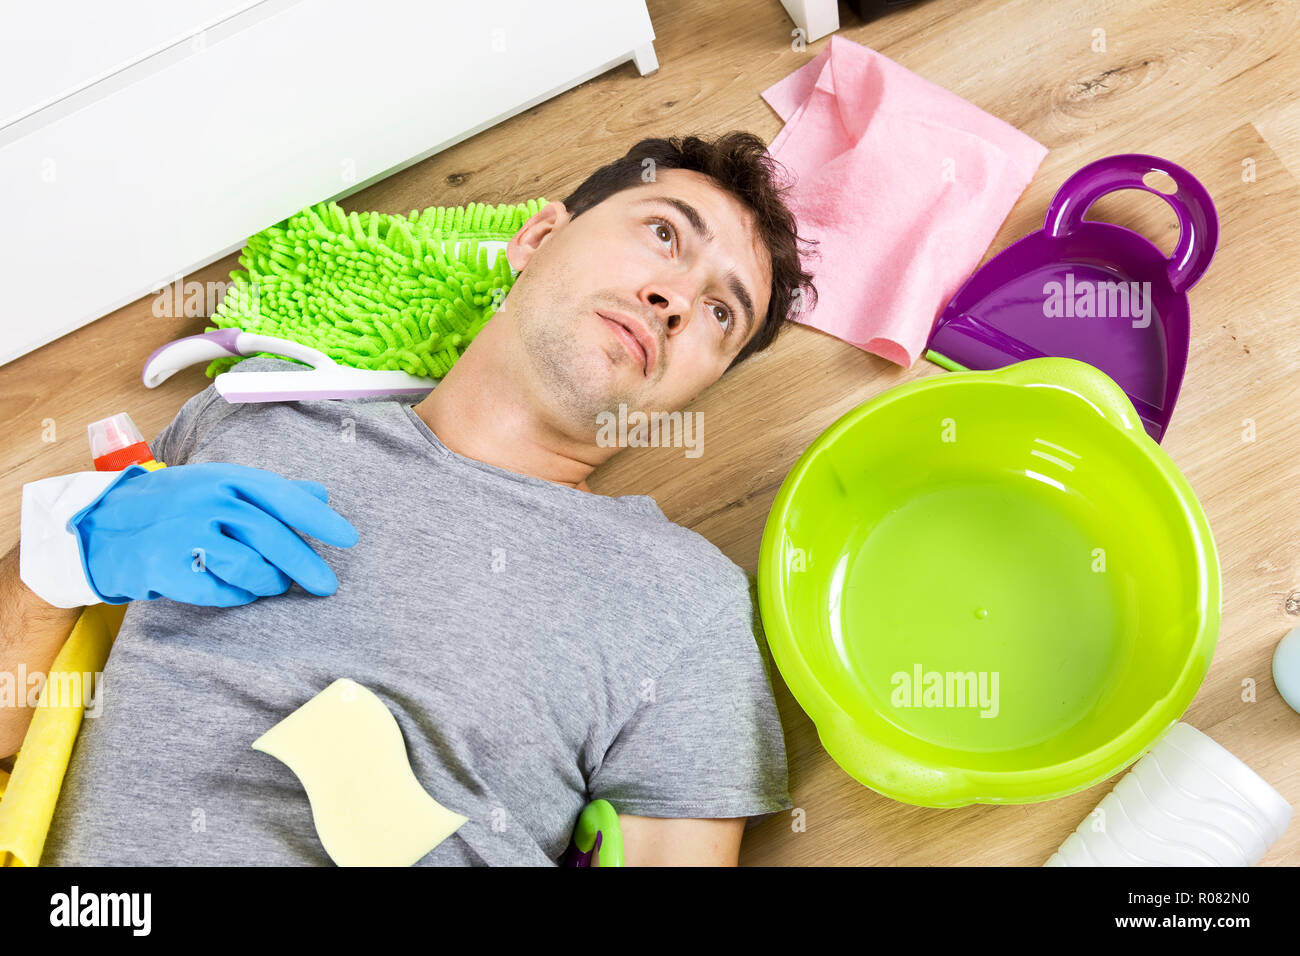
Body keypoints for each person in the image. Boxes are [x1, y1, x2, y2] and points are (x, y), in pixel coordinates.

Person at [0, 131, 819, 866]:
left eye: (720, 311)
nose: (676, 300)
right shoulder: (256, 410)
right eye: (664, 233)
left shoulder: (683, 603)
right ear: (537, 237)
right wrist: (64, 551)